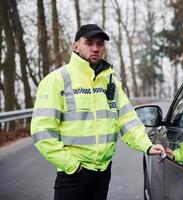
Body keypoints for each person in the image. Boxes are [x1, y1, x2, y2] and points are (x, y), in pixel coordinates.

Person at [30, 24, 165, 200]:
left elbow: (127, 120)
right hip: (73, 175)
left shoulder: (110, 82)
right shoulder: (57, 80)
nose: (95, 48)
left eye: (100, 44)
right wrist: (73, 166)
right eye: (89, 43)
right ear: (76, 46)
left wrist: (147, 145)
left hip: (102, 173)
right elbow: (42, 132)